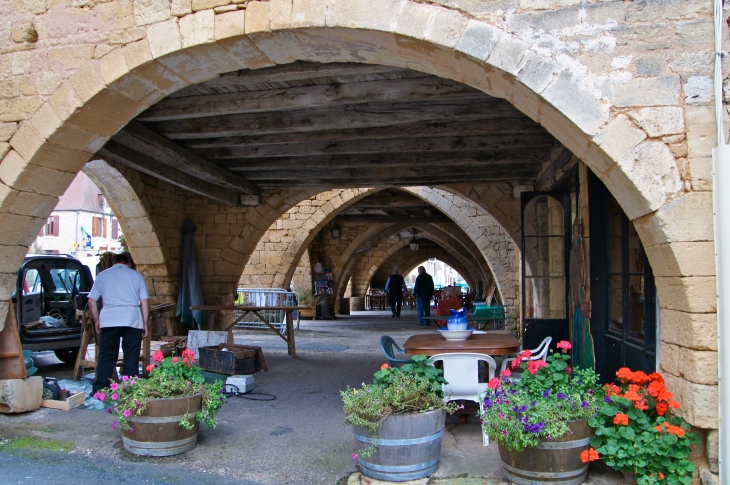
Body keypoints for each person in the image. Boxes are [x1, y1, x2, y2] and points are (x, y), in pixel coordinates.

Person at [89, 252, 150, 393]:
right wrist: (145, 322)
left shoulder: (102, 276)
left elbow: (92, 301)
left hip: (109, 319)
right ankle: (131, 388)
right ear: (128, 261)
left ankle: (100, 389)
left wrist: (97, 320)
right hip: (132, 319)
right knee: (131, 355)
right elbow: (144, 301)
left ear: (114, 262)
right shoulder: (136, 276)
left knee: (107, 355)